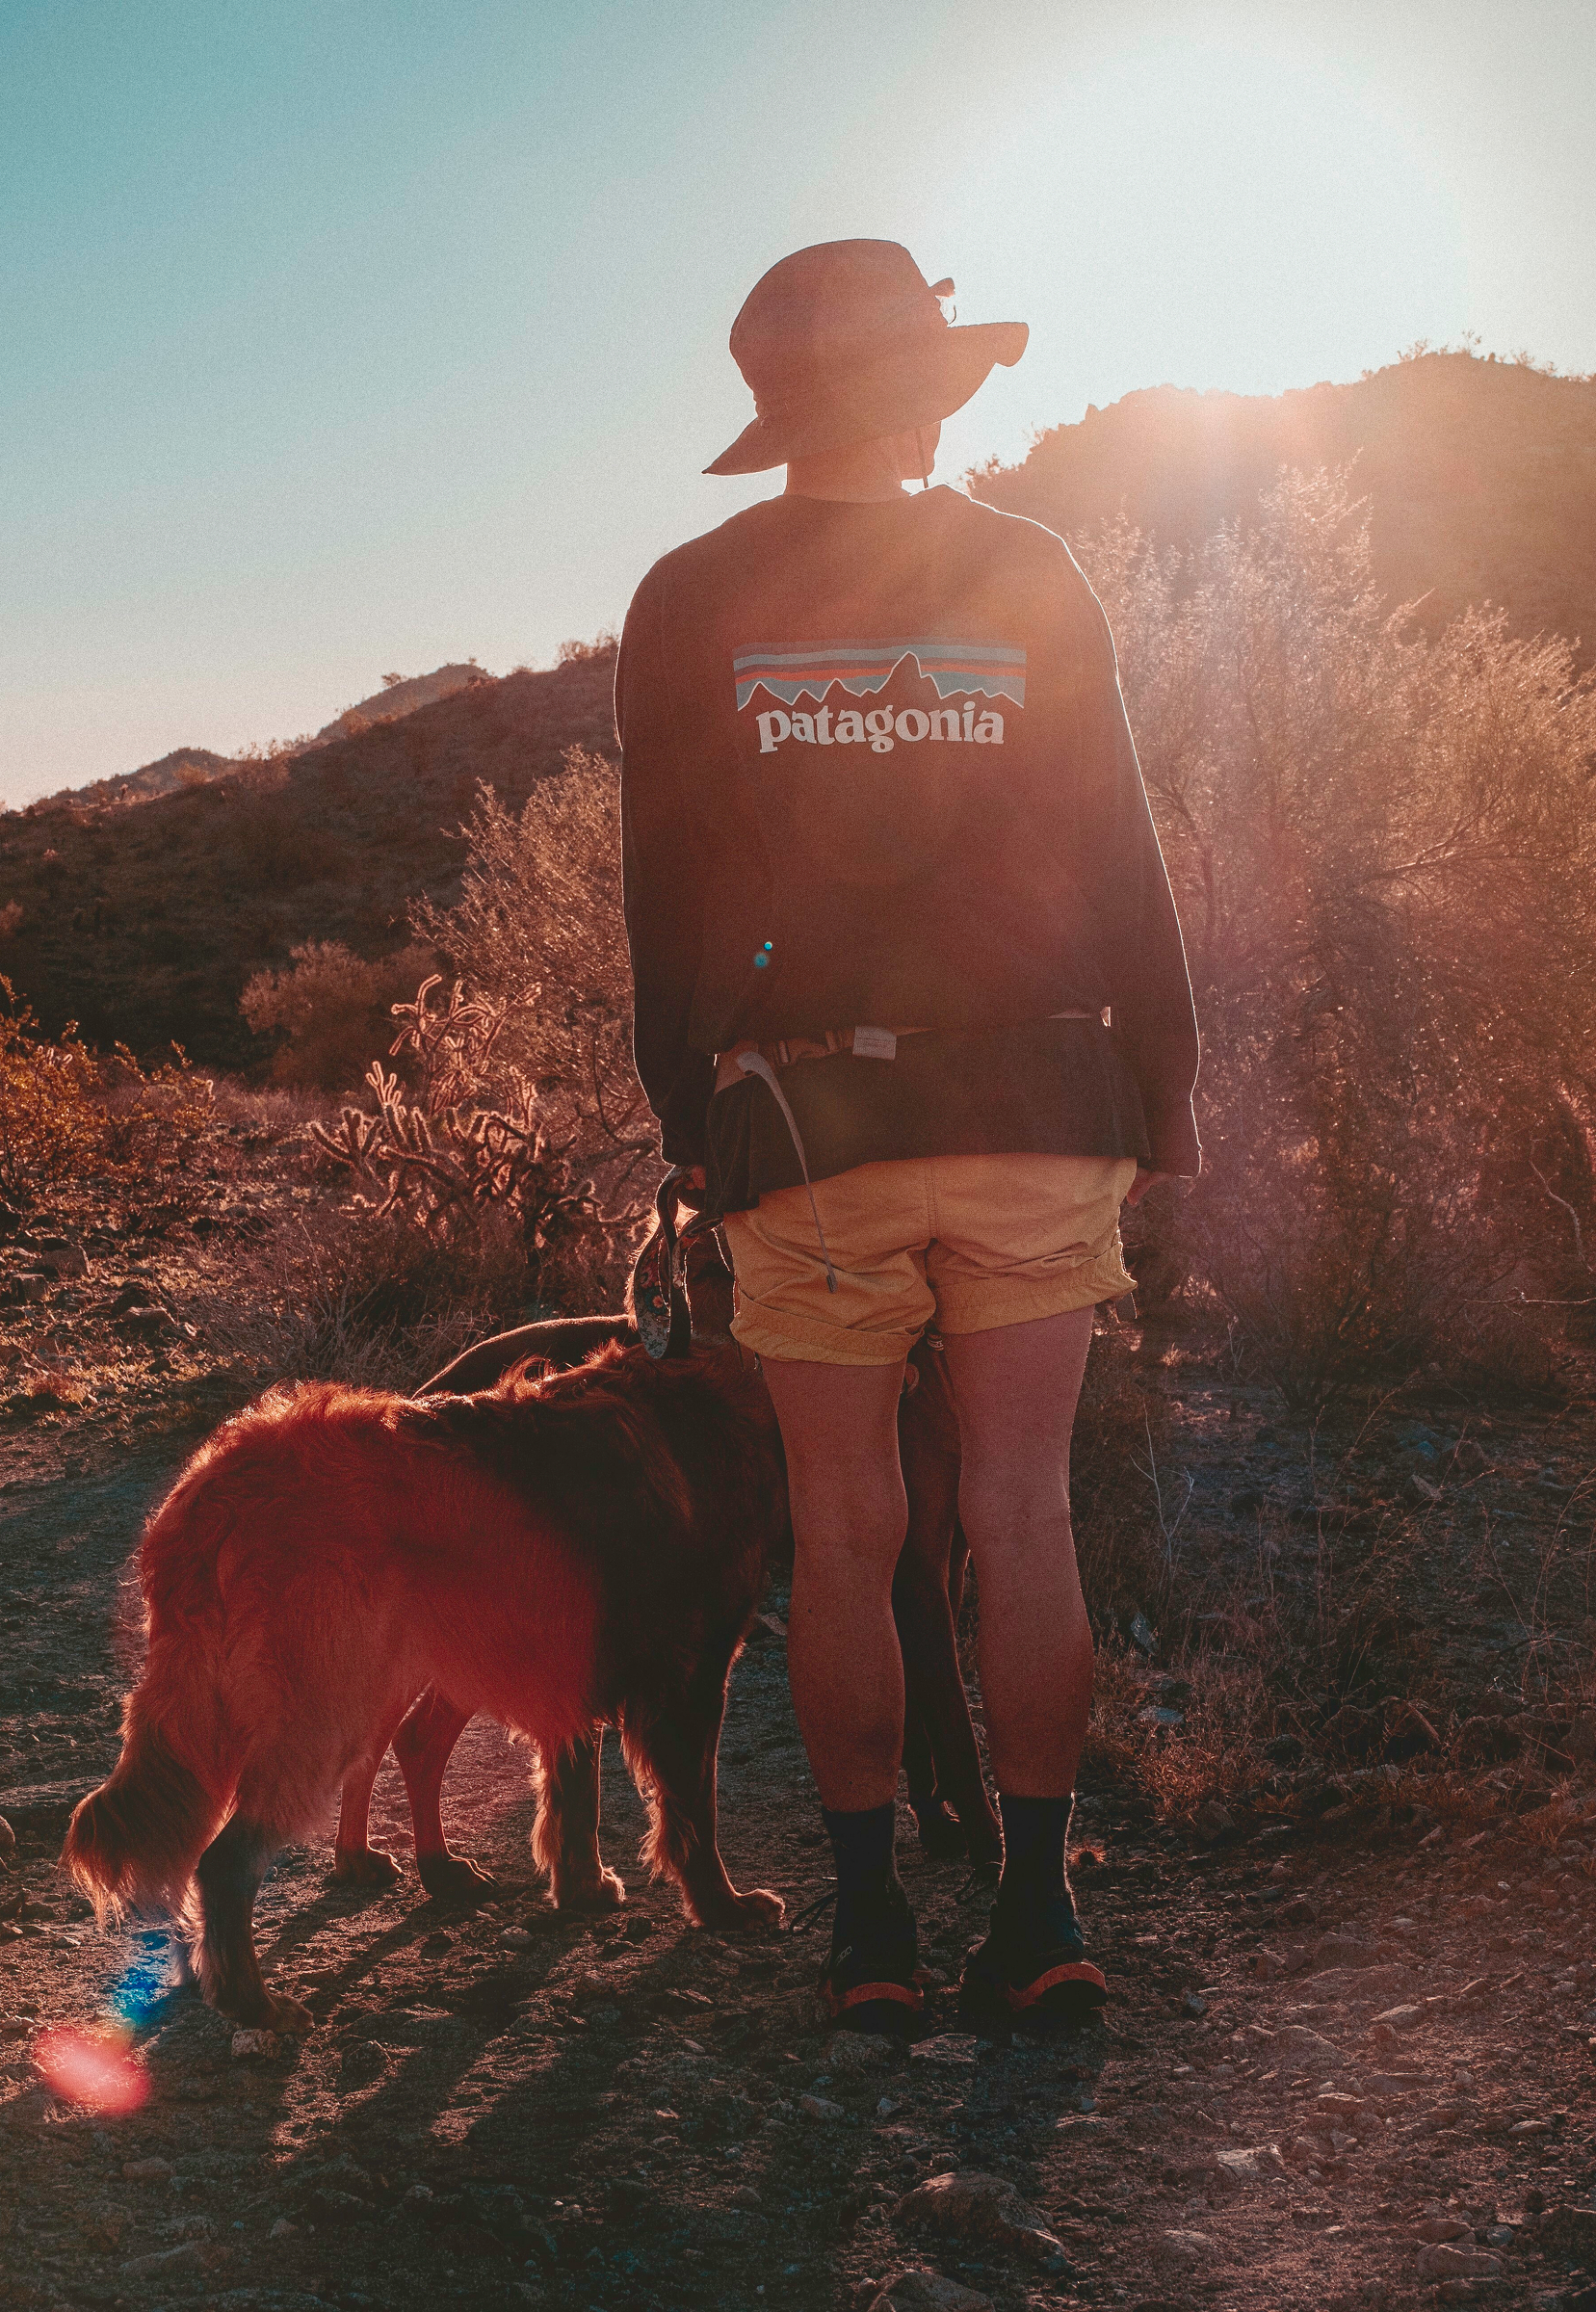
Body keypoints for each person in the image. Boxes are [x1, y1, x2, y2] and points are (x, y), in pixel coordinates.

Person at [615, 240, 1199, 2032]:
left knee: (846, 1524)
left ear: (776, 412)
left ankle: (872, 1931)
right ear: (935, 391)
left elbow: (665, 890)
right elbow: (1119, 846)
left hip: (809, 1120)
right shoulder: (1027, 572)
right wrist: (1158, 1102)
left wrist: (687, 1118)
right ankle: (1039, 1907)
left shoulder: (688, 597)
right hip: (1035, 1102)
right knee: (1024, 1517)